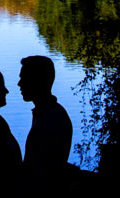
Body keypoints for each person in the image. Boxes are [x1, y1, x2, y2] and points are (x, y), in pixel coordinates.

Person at [18, 55, 72, 193]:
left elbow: (38, 172)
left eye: (23, 78)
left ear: (37, 81)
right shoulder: (53, 112)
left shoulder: (49, 120)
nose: (19, 83)